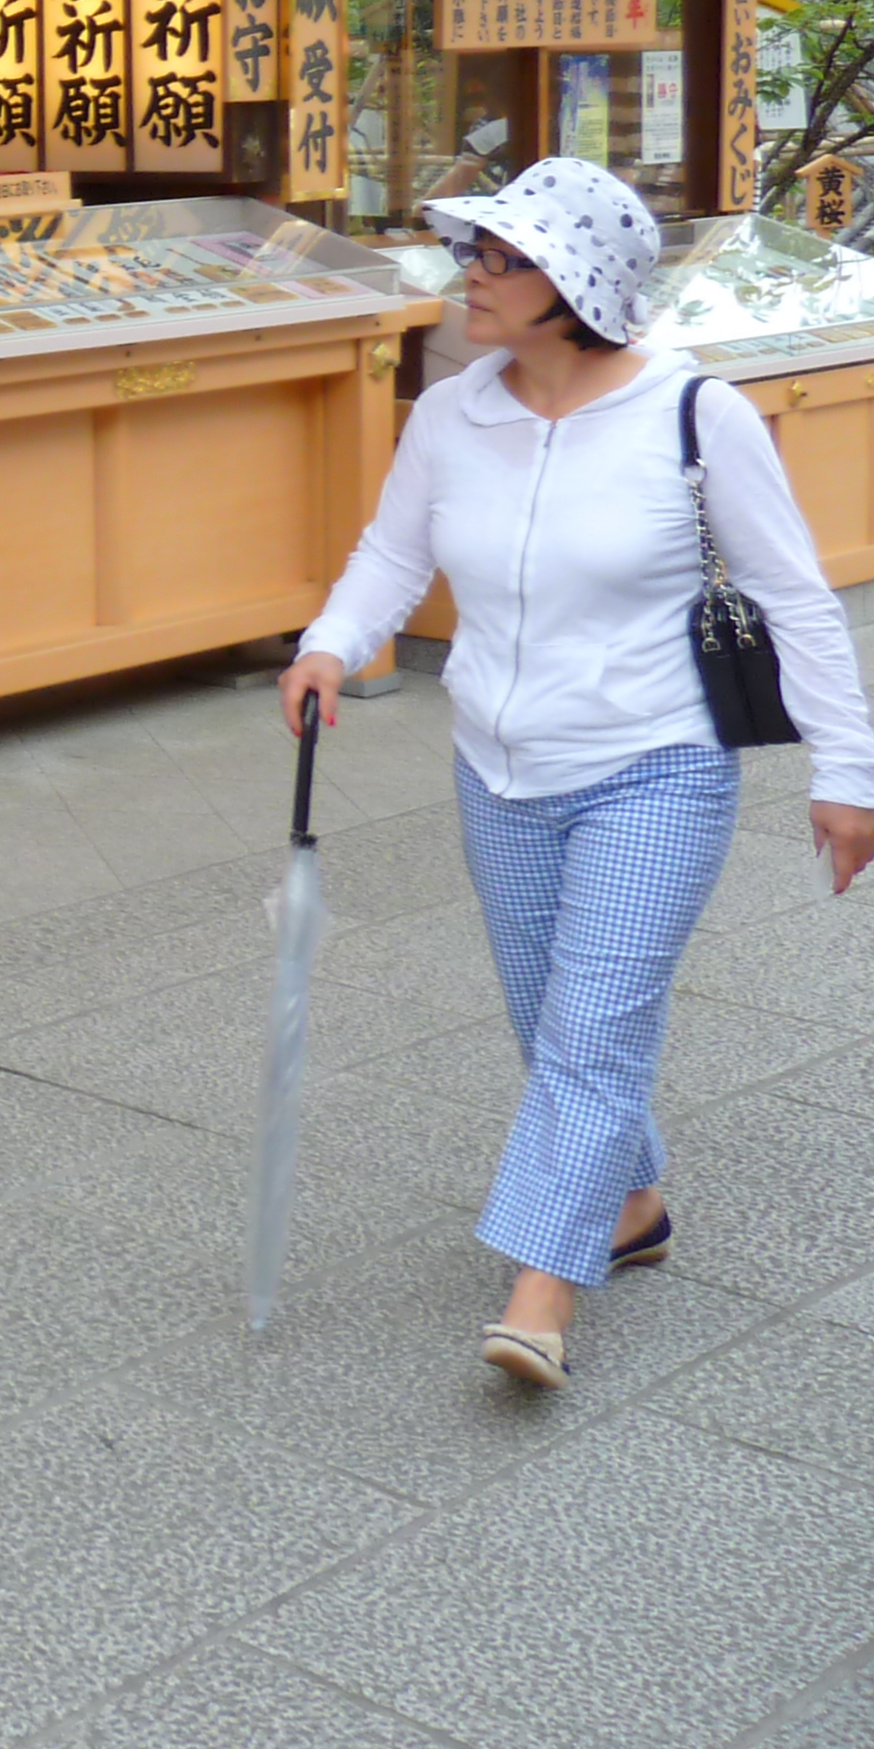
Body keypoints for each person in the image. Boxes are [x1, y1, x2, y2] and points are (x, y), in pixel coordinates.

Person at [286, 154, 874, 1388]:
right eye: (472, 250)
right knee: (549, 1019)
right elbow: (392, 554)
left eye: (501, 257)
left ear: (576, 284)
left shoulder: (690, 414)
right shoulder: (455, 409)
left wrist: (848, 772)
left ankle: (538, 1293)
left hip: (655, 763)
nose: (471, 273)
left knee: (592, 1027)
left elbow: (793, 600)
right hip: (495, 767)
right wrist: (329, 646)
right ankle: (629, 1202)